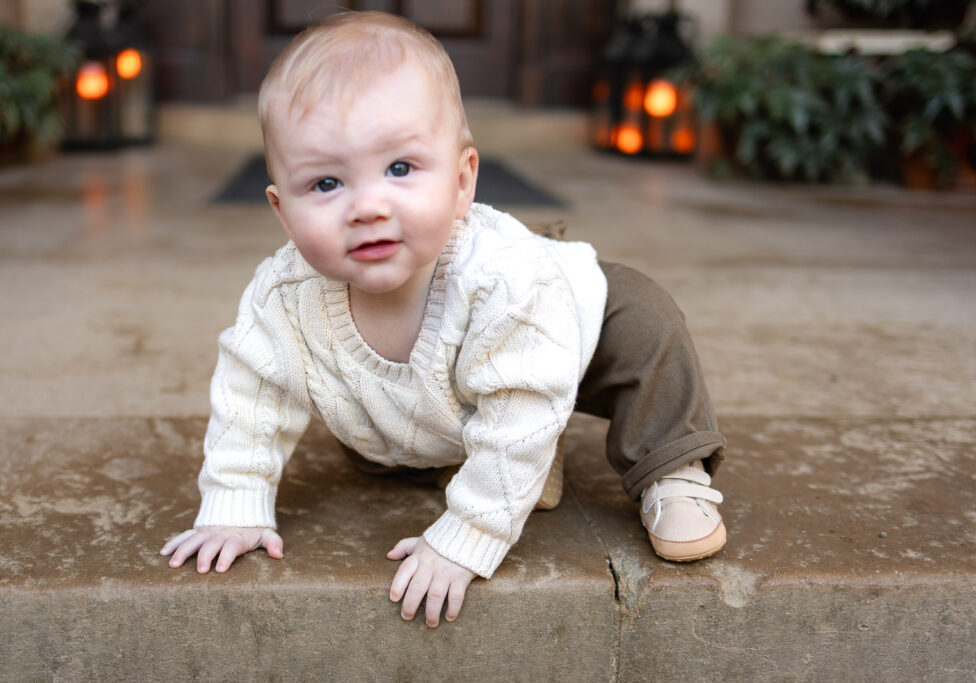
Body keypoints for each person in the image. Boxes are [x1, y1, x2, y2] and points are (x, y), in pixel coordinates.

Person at [160, 10, 727, 628]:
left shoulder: (504, 280)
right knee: (384, 439)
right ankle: (507, 452)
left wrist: (466, 535)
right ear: (282, 211)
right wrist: (235, 503)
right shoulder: (284, 295)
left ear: (462, 182)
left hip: (562, 329)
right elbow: (252, 394)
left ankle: (673, 468)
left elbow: (524, 399)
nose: (368, 207)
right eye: (326, 182)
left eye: (400, 169)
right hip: (438, 402)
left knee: (642, 319)